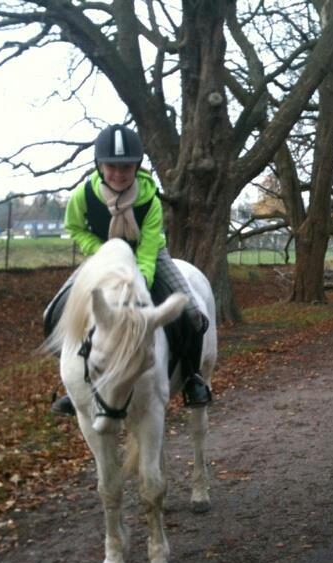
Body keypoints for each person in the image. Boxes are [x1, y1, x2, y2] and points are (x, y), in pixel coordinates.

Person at [44, 124, 211, 415]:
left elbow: (148, 249)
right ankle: (77, 385)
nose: (119, 174)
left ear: (137, 167)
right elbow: (74, 228)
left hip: (148, 257)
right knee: (54, 314)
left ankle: (192, 378)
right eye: (112, 167)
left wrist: (138, 282)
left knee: (194, 314)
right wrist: (104, 254)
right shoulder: (82, 196)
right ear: (100, 165)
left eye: (126, 167)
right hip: (103, 258)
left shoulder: (150, 199)